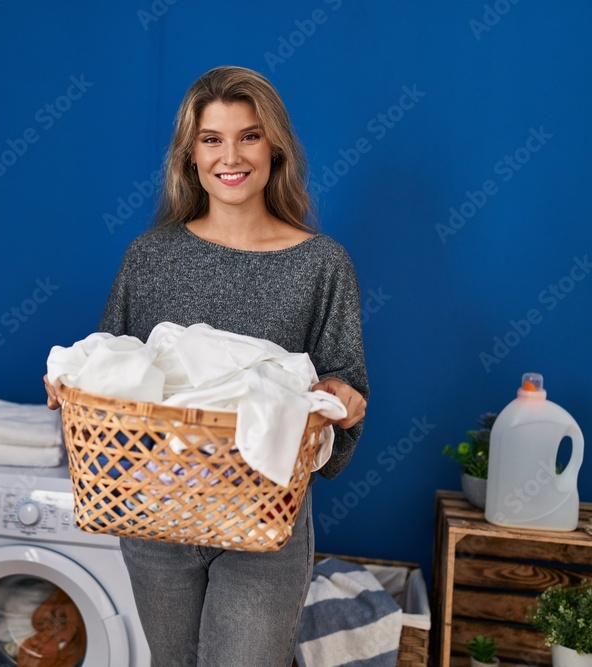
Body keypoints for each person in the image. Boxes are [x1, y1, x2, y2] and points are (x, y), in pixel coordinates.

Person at [44, 65, 367, 666]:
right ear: (190, 156)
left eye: (248, 135)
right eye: (212, 139)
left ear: (275, 147)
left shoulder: (323, 265)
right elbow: (110, 367)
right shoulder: (151, 256)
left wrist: (341, 399)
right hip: (154, 520)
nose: (231, 156)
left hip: (265, 524)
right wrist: (69, 383)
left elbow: (345, 388)